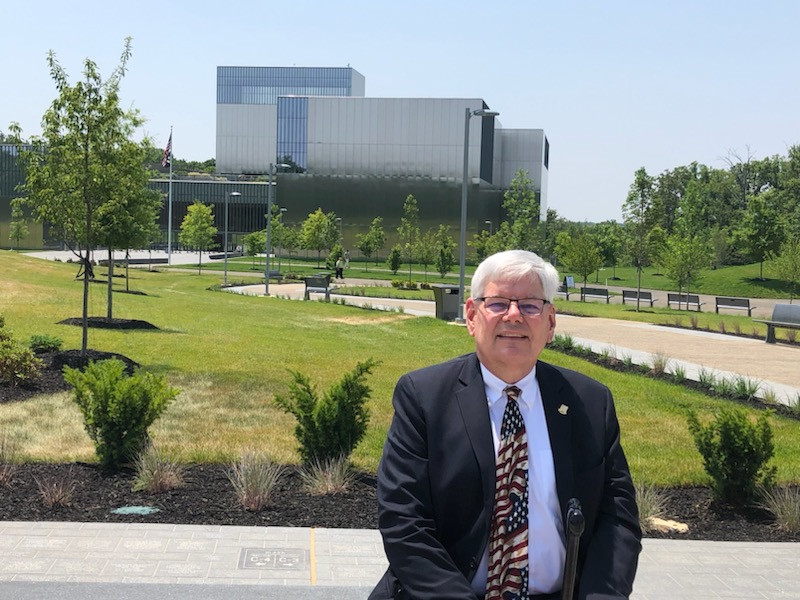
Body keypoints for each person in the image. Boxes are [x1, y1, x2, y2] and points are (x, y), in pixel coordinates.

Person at [370, 249, 641, 600]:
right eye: (498, 303)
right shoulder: (423, 397)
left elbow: (617, 519)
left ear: (551, 323)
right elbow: (404, 520)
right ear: (472, 316)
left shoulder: (589, 403)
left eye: (530, 305)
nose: (514, 315)